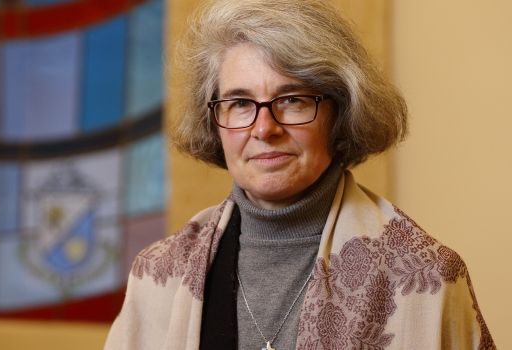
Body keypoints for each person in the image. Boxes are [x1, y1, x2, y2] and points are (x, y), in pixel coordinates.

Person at [105, 0, 495, 349]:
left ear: (339, 112)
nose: (264, 129)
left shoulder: (427, 278)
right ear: (215, 121)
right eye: (240, 103)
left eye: (291, 100)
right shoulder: (157, 276)